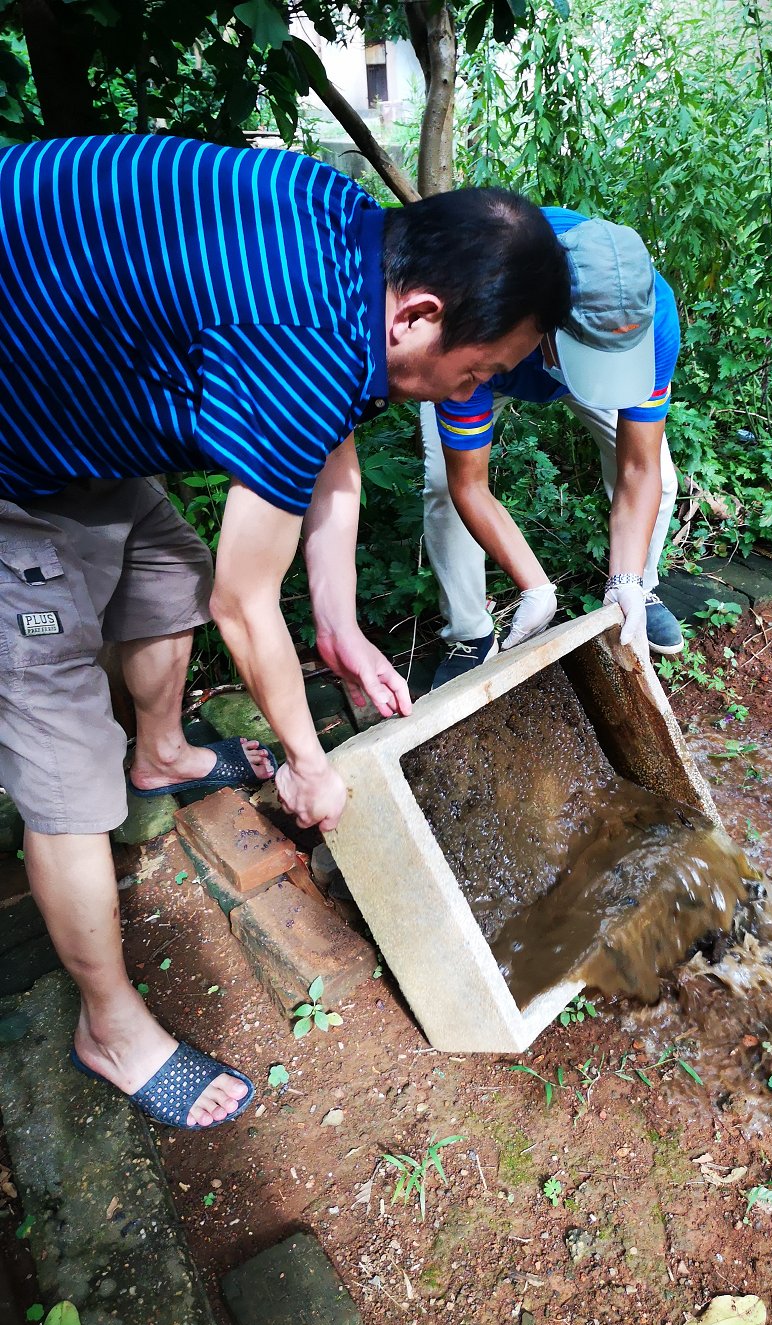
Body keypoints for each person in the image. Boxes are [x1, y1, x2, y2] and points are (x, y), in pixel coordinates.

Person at [0, 134, 570, 1130]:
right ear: (421, 315)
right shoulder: (306, 332)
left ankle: (166, 753)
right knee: (62, 767)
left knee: (161, 562)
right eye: (482, 367)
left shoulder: (349, 235)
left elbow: (329, 448)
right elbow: (244, 602)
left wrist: (341, 630)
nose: (472, 392)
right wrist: (306, 761)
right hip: (15, 437)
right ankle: (111, 1025)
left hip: (63, 375)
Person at [420, 209, 683, 688]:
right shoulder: (476, 324)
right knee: (443, 486)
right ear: (541, 323)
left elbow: (637, 469)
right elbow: (469, 484)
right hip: (495, 362)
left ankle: (636, 590)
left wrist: (623, 578)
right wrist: (535, 587)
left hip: (574, 351)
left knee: (661, 478)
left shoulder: (651, 320)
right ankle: (469, 632)